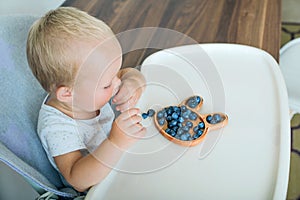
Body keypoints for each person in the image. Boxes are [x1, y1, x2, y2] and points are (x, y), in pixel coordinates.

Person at [26, 7, 146, 192]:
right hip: (101, 187)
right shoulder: (57, 128)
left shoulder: (88, 88)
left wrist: (134, 81)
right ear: (67, 94)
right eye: (107, 84)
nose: (116, 83)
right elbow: (77, 179)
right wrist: (115, 142)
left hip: (122, 159)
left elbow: (127, 73)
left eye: (115, 74)